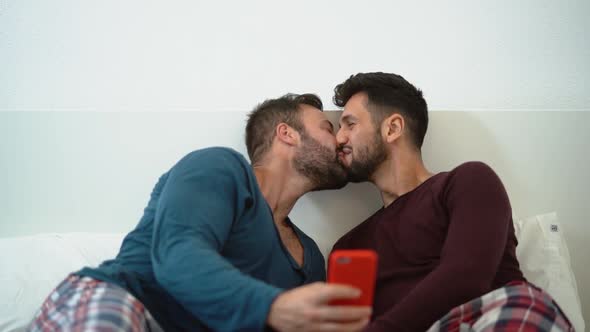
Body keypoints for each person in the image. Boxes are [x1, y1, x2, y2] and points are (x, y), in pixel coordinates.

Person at [29, 93, 372, 332]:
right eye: (328, 128)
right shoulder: (219, 168)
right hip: (125, 302)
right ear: (287, 134)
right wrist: (272, 307)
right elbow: (179, 255)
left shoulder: (310, 257)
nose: (340, 140)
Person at [331, 72, 573, 331]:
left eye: (350, 124)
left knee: (526, 306)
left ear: (392, 129)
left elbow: (466, 278)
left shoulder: (467, 182)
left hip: (492, 319)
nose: (339, 138)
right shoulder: (348, 246)